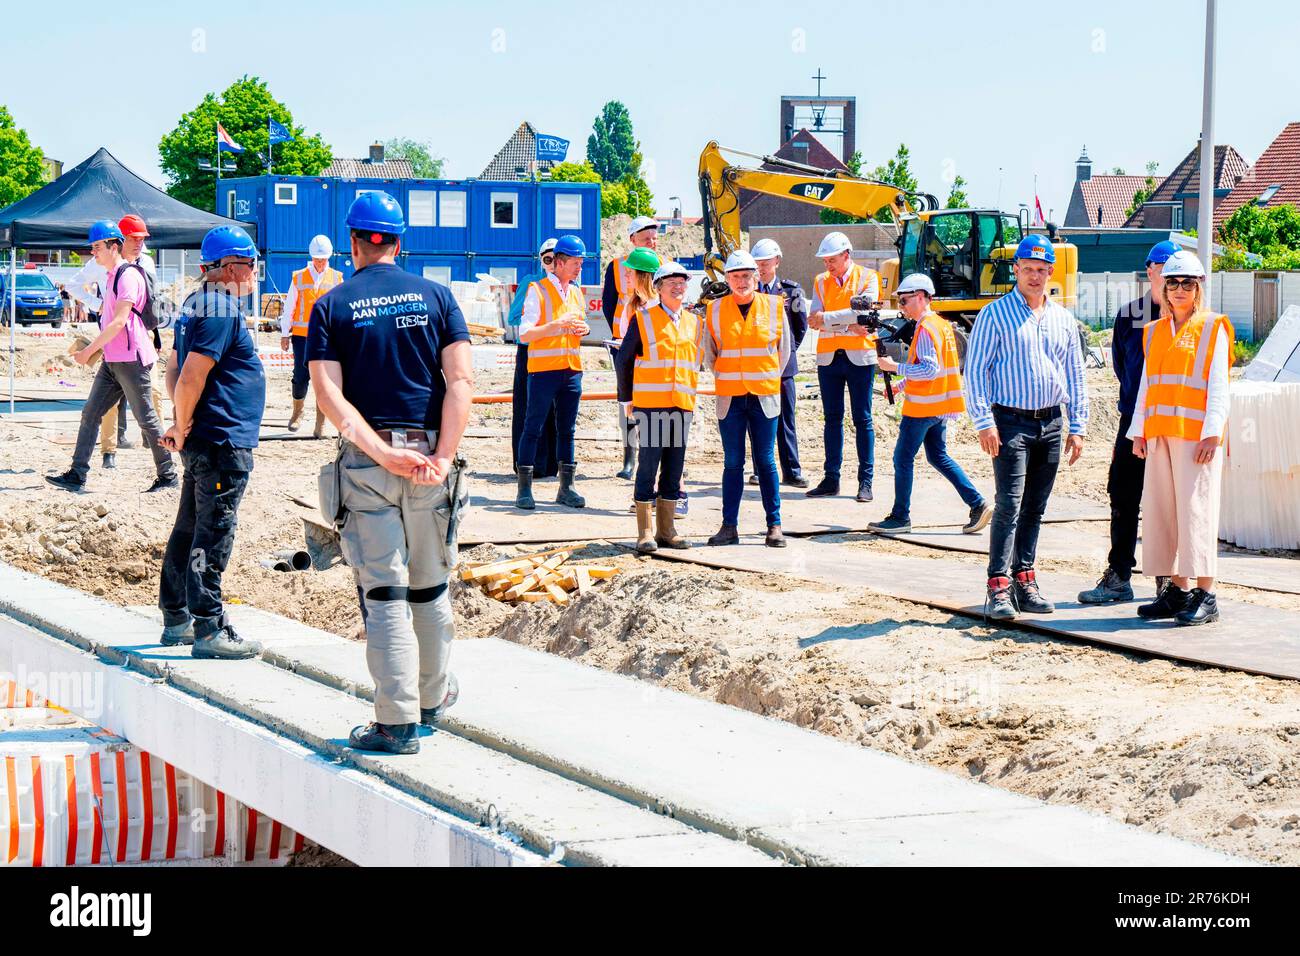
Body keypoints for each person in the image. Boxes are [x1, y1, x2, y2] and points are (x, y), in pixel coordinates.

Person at [308, 191, 473, 755]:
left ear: (354, 241)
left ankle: (397, 722)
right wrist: (444, 456)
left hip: (368, 464)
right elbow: (461, 384)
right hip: (430, 459)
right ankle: (430, 700)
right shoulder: (439, 298)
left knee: (385, 592)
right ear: (399, 242)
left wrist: (380, 453)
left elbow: (329, 396)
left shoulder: (332, 306)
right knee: (429, 586)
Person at [156, 225, 267, 659]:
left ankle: (177, 614)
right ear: (228, 267)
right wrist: (181, 424)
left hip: (206, 437)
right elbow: (189, 375)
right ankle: (209, 627)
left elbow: (173, 368)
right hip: (222, 441)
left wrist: (182, 422)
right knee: (213, 531)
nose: (256, 273)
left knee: (189, 526)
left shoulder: (196, 304)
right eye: (251, 264)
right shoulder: (220, 308)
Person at [965, 234, 1088, 620]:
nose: (1035, 276)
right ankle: (998, 586)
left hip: (1051, 422)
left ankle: (1025, 579)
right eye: (1028, 269)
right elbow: (975, 372)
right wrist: (984, 422)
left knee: (1036, 507)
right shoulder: (994, 315)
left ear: (1051, 272)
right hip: (1010, 423)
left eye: (1042, 270)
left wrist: (1078, 425)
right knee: (1009, 505)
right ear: (1015, 269)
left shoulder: (1063, 319)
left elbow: (1076, 374)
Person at [1127, 251, 1232, 626]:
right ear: (1164, 288)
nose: (1181, 290)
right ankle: (1178, 589)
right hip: (1160, 436)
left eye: (1189, 283)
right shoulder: (1154, 332)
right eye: (1174, 283)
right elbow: (1146, 387)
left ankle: (1206, 594)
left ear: (1199, 287)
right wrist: (1138, 430)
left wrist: (1213, 434)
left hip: (1196, 439)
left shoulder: (1212, 327)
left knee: (1196, 513)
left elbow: (1219, 386)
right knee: (1165, 513)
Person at [1078, 240, 1180, 604]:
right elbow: (1125, 370)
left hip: (1172, 426)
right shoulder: (1131, 315)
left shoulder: (1187, 317)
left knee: (1166, 502)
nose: (1168, 279)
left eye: (1175, 273)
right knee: (1123, 495)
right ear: (1149, 271)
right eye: (1160, 269)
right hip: (1132, 421)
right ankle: (1119, 574)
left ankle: (1166, 580)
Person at [45, 221, 177, 493]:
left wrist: (88, 350)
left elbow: (119, 323)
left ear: (113, 246)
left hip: (131, 359)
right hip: (114, 359)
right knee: (90, 413)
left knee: (147, 419)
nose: (93, 252)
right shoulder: (111, 275)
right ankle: (77, 473)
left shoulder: (127, 276)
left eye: (96, 247)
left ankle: (168, 475)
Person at [871, 273, 992, 534]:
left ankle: (900, 517)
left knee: (902, 458)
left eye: (905, 300)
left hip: (923, 408)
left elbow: (929, 369)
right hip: (939, 406)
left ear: (923, 298)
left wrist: (895, 367)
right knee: (938, 456)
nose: (902, 306)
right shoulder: (940, 325)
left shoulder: (925, 328)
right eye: (900, 301)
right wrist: (899, 385)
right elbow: (929, 369)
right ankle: (977, 503)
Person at [703, 250, 792, 548]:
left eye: (746, 275)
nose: (741, 281)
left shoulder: (775, 307)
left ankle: (774, 526)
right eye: (735, 276)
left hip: (764, 396)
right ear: (727, 279)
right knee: (732, 462)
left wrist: (763, 377)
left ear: (756, 277)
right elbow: (710, 355)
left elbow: (784, 352)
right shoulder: (715, 310)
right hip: (730, 398)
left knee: (766, 461)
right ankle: (729, 526)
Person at [615, 260, 701, 552]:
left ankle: (668, 529)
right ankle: (645, 532)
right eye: (671, 283)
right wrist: (626, 399)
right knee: (648, 466)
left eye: (682, 282)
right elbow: (624, 359)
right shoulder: (643, 318)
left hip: (681, 404)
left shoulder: (693, 322)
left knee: (675, 469)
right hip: (650, 406)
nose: (678, 287)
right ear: (659, 288)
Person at [515, 235, 590, 511]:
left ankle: (566, 488)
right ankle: (524, 489)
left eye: (581, 262)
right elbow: (525, 332)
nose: (579, 267)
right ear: (558, 263)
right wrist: (556, 325)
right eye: (574, 262)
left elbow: (579, 324)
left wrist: (584, 330)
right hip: (543, 371)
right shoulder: (538, 289)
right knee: (532, 427)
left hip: (571, 371)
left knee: (567, 430)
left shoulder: (576, 292)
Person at [806, 231, 880, 502]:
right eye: (825, 261)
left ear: (846, 255)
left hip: (860, 357)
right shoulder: (820, 281)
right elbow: (814, 319)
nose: (828, 265)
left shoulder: (868, 277)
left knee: (863, 419)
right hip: (829, 358)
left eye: (832, 260)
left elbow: (862, 312)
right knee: (832, 420)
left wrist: (830, 320)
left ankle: (866, 482)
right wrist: (848, 325)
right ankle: (830, 479)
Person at [100, 214, 165, 467]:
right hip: (115, 336)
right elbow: (78, 284)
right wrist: (101, 309)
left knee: (155, 392)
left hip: (143, 335)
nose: (139, 243)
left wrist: (156, 335)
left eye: (141, 239)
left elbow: (151, 302)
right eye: (133, 238)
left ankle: (156, 444)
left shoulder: (146, 263)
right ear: (121, 240)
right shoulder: (105, 263)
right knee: (110, 398)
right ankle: (109, 451)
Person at [750, 238, 809, 488]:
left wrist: (784, 355)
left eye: (766, 262)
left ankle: (792, 470)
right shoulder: (748, 293)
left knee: (785, 419)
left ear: (777, 261)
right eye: (758, 264)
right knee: (756, 419)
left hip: (782, 369)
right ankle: (757, 469)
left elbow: (800, 327)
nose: (762, 268)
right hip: (756, 367)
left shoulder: (791, 291)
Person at [604, 215, 659, 479]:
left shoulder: (665, 266)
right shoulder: (616, 266)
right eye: (646, 237)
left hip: (655, 349)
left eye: (654, 238)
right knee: (626, 400)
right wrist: (623, 337)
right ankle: (629, 457)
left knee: (653, 403)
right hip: (624, 343)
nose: (652, 242)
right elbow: (607, 303)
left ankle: (653, 457)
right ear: (632, 239)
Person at [279, 235, 343, 437]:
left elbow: (340, 309)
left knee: (323, 380)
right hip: (301, 336)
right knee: (300, 376)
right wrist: (284, 333)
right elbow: (290, 306)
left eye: (323, 259)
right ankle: (297, 413)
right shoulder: (299, 277)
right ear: (311, 257)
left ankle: (320, 423)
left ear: (329, 258)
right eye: (317, 258)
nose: (320, 262)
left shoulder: (336, 278)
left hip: (327, 337)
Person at [509, 238, 560, 478]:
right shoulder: (531, 282)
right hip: (531, 352)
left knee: (556, 410)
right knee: (528, 409)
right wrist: (542, 327)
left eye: (555, 259)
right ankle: (529, 464)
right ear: (541, 261)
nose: (551, 264)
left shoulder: (567, 286)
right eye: (547, 260)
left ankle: (552, 463)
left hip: (556, 354)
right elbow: (514, 318)